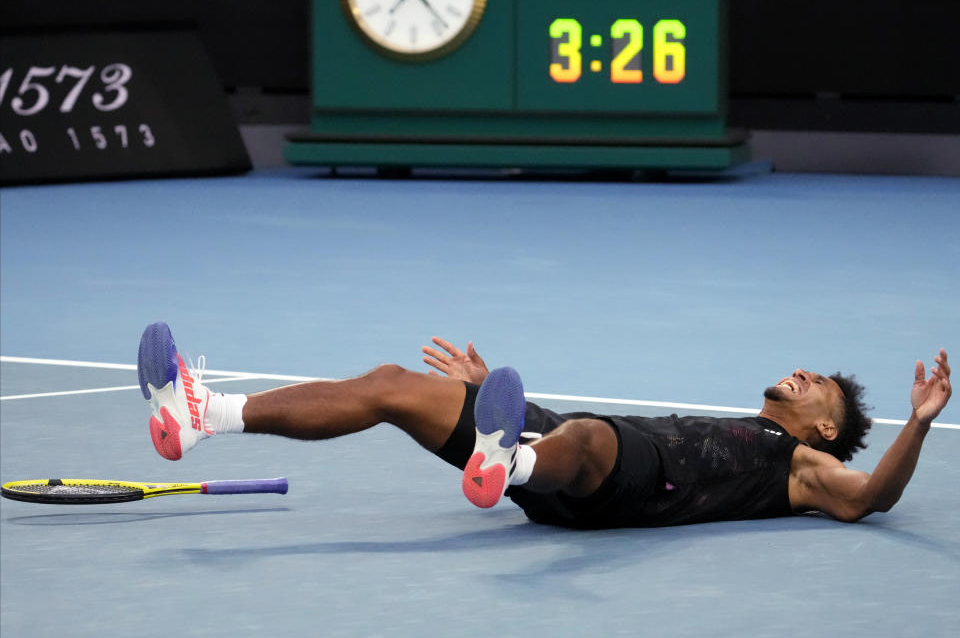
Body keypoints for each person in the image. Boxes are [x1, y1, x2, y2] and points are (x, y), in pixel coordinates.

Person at [136, 322, 952, 528]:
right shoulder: (741, 425)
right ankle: (204, 414)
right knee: (395, 385)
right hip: (568, 446)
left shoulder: (801, 470)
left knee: (592, 436)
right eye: (810, 373)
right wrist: (499, 399)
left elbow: (868, 499)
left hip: (622, 479)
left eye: (823, 394)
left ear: (819, 434)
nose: (806, 377)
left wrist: (916, 424)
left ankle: (511, 461)